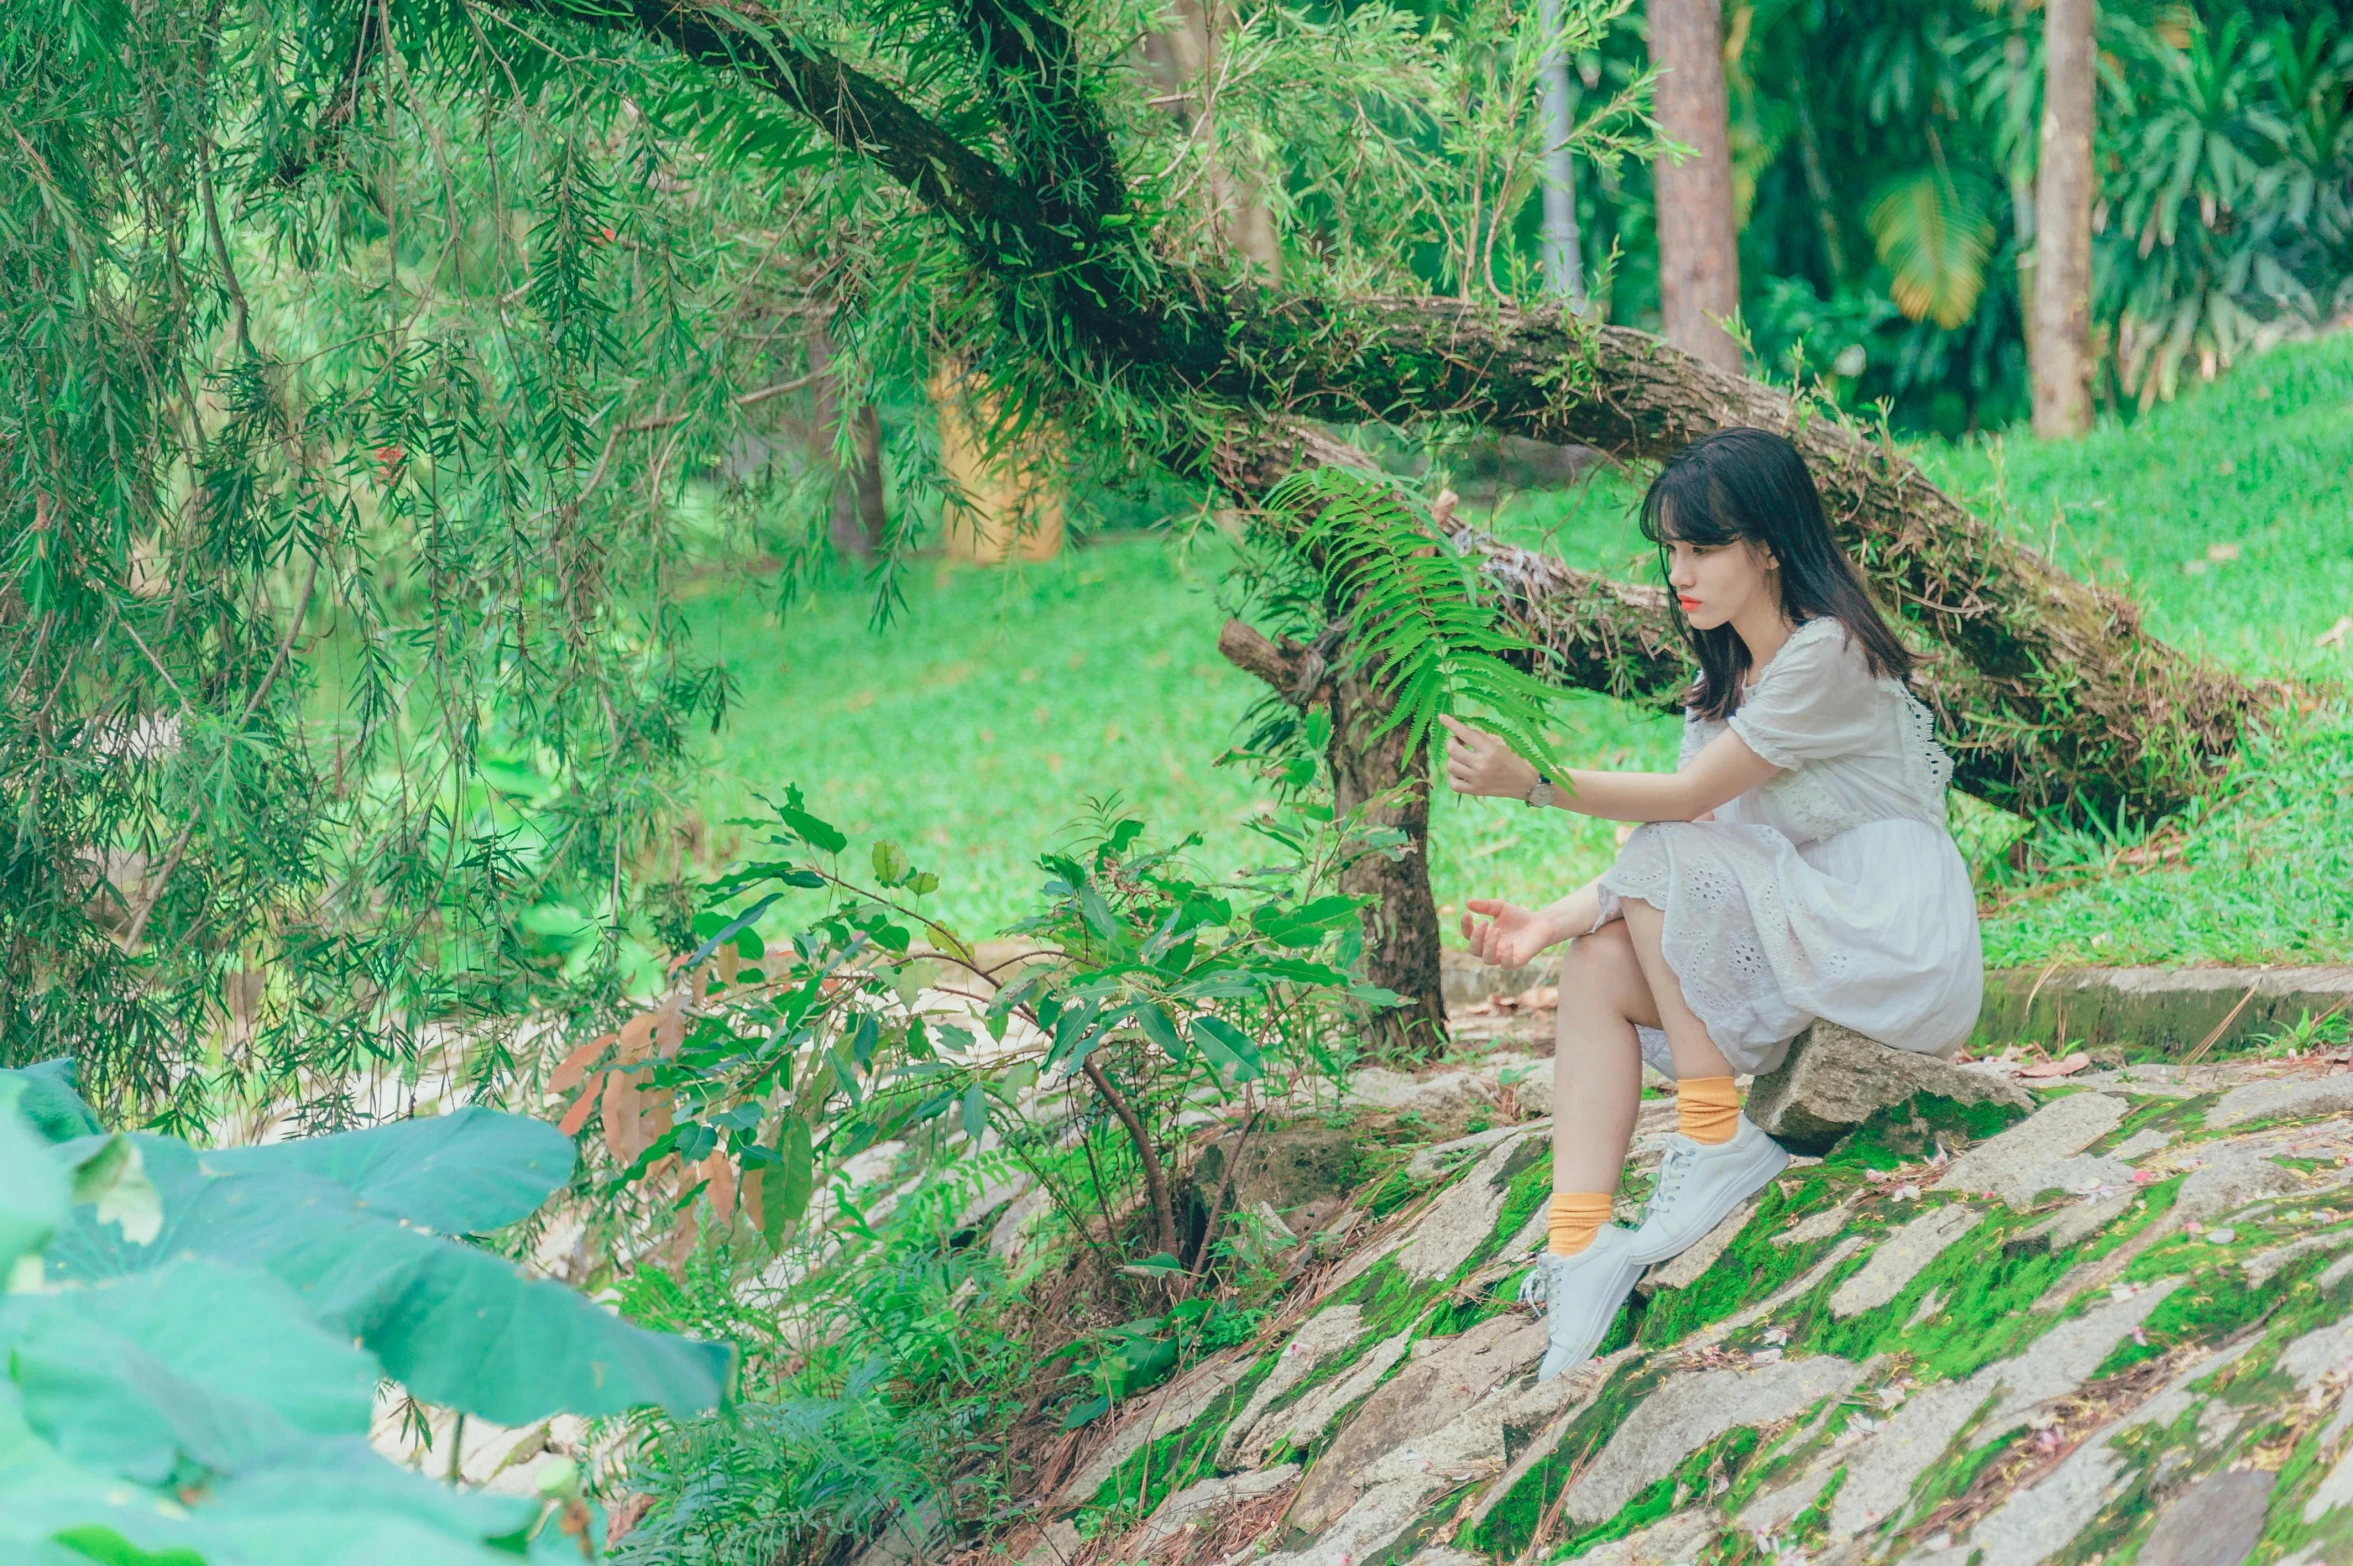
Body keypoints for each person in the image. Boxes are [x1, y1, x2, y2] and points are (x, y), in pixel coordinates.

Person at [1440, 427, 1983, 1382]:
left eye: (1704, 548)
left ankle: (1712, 1132)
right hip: (1810, 927)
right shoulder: (1725, 686)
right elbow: (1685, 850)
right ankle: (1578, 1246)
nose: (1680, 572)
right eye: (1673, 551)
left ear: (1768, 546)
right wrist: (1550, 923)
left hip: (1893, 937)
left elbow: (1684, 817)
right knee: (1597, 965)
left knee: (1661, 847)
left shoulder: (1828, 656)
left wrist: (1532, 782)